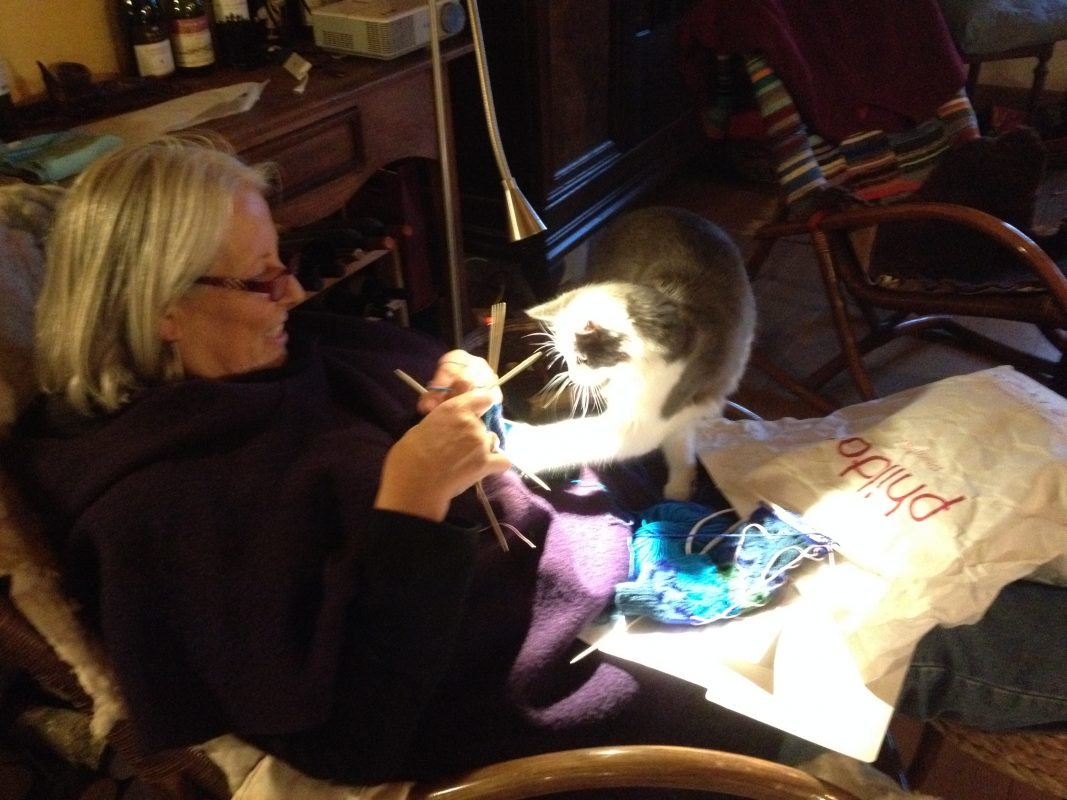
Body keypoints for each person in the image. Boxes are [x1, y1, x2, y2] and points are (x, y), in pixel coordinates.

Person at [6, 134, 1066, 798]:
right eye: (260, 278)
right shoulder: (164, 506)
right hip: (614, 652)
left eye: (285, 261)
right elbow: (352, 740)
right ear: (161, 308)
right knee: (938, 625)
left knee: (965, 526)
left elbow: (477, 432)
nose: (294, 292)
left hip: (646, 550)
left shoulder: (282, 357)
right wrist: (411, 503)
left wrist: (478, 396)